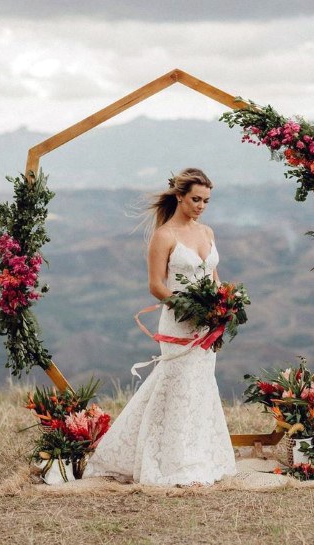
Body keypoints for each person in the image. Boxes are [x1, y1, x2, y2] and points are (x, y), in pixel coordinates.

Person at [83, 168, 237, 486]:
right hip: (179, 322)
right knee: (177, 385)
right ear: (179, 196)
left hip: (208, 325)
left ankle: (200, 454)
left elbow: (214, 277)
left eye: (206, 200)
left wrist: (223, 306)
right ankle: (171, 461)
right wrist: (188, 306)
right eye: (195, 199)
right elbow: (156, 286)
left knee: (200, 385)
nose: (201, 206)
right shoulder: (164, 236)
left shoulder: (208, 232)